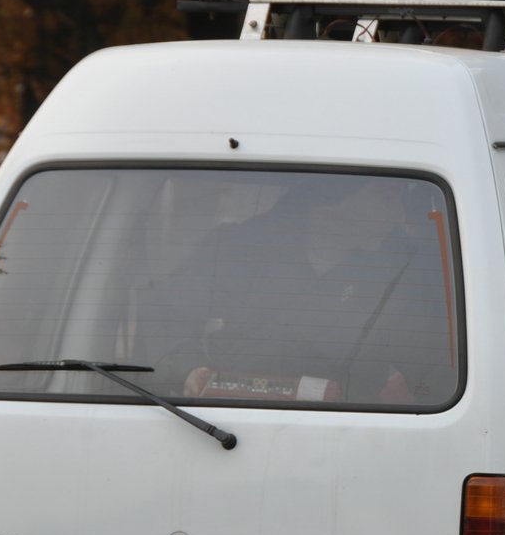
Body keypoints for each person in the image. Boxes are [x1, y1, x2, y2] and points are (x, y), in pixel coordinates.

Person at [148, 174, 454, 406]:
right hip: (218, 425)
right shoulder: (234, 250)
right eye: (388, 196)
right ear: (334, 194)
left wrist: (418, 391)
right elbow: (162, 320)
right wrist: (187, 371)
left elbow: (434, 363)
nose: (398, 215)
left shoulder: (398, 272)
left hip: (350, 437)